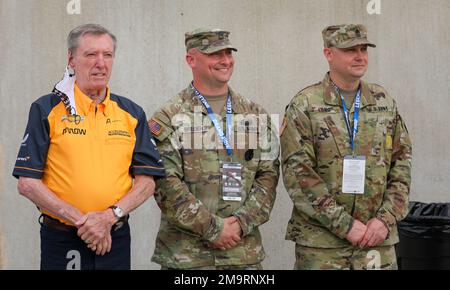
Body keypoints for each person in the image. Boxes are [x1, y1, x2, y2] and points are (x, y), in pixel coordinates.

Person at [13, 24, 165, 270]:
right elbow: (27, 183)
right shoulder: (46, 109)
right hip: (62, 240)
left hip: (115, 237)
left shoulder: (132, 113)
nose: (100, 63)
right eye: (91, 54)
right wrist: (87, 223)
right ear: (71, 59)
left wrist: (107, 218)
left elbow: (147, 180)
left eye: (107, 55)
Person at [281, 24, 412, 270]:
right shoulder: (305, 105)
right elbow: (298, 174)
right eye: (350, 49)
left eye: (363, 49)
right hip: (323, 245)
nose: (360, 56)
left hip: (377, 241)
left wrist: (384, 220)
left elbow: (402, 163)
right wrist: (345, 225)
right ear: (328, 53)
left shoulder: (383, 101)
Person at [149, 28, 280, 269]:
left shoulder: (255, 114)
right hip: (187, 259)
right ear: (191, 59)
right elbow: (165, 184)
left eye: (229, 53)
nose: (225, 61)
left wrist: (240, 223)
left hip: (243, 255)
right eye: (214, 54)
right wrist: (213, 228)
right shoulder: (169, 116)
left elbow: (268, 176)